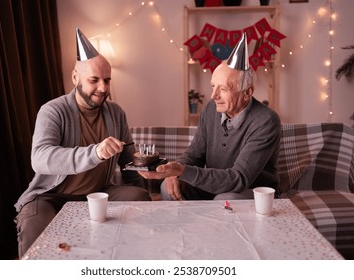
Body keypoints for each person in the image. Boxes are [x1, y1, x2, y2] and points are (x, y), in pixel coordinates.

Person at [14, 28, 151, 258]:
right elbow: (40, 159)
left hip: (98, 193)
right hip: (51, 195)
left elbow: (129, 163)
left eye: (107, 80)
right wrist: (95, 152)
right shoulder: (52, 111)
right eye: (94, 80)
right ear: (75, 77)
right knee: (33, 227)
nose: (103, 88)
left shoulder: (116, 113)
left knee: (139, 198)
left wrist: (149, 176)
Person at [139, 33, 281, 201]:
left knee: (226, 199)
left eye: (223, 89)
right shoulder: (211, 110)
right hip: (214, 186)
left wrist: (182, 171)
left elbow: (238, 179)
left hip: (250, 190)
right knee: (169, 185)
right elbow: (194, 155)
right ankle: (183, 228)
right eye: (213, 86)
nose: (213, 95)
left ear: (247, 92)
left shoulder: (266, 121)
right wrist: (174, 171)